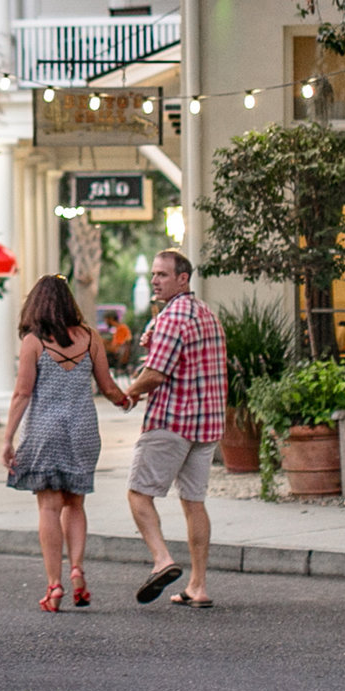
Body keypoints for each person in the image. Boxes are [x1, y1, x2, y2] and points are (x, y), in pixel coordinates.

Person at [2, 274, 132, 611]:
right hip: (83, 430)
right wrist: (125, 400)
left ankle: (54, 585)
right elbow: (107, 385)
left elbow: (22, 393)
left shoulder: (34, 342)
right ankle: (77, 569)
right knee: (75, 504)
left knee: (48, 507)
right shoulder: (90, 338)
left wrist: (7, 438)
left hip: (46, 431)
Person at [121, 248, 226, 609]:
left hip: (172, 421)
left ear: (183, 278)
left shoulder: (172, 318)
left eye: (163, 275)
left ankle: (162, 559)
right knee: (194, 502)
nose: (155, 280)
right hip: (207, 425)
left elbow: (155, 374)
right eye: (153, 274)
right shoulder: (206, 314)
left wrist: (128, 394)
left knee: (138, 493)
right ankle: (198, 586)